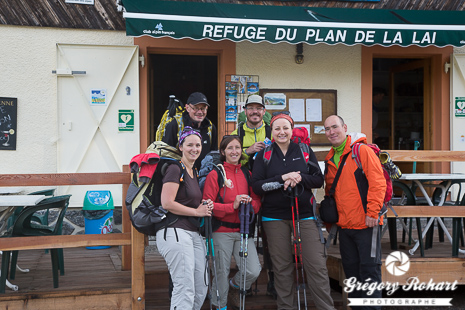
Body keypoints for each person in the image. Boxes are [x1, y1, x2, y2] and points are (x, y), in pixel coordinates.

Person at [252, 112, 335, 310]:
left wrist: (298, 178)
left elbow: (317, 179)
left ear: (291, 129)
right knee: (282, 268)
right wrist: (282, 178)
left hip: (304, 214)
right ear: (271, 131)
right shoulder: (264, 154)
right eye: (277, 128)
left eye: (285, 128)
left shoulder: (304, 149)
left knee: (316, 265)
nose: (282, 132)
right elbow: (256, 186)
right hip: (273, 217)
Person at [323, 115, 386, 310]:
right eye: (327, 129)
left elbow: (378, 182)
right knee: (351, 274)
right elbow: (331, 192)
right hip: (345, 226)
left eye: (335, 127)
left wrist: (373, 213)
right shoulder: (330, 157)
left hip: (368, 223)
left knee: (369, 272)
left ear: (345, 128)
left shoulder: (361, 151)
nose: (331, 131)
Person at [157, 126, 215, 310]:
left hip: (192, 232)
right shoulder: (175, 168)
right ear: (180, 146)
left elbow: (189, 201)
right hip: (174, 231)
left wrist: (203, 206)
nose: (194, 149)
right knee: (185, 286)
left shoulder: (193, 171)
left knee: (201, 286)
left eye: (197, 145)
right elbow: (167, 203)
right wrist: (197, 212)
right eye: (189, 145)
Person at [202, 135, 262, 310]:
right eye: (230, 148)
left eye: (237, 148)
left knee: (253, 270)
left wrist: (251, 206)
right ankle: (219, 306)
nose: (234, 151)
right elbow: (208, 204)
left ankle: (234, 286)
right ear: (223, 152)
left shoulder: (247, 173)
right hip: (221, 230)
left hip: (243, 230)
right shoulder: (215, 175)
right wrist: (232, 206)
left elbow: (257, 200)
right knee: (221, 272)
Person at [162, 91, 218, 170]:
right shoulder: (175, 125)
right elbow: (165, 154)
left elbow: (214, 154)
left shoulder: (211, 127)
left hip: (203, 176)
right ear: (187, 107)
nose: (200, 112)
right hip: (179, 175)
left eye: (203, 108)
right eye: (195, 108)